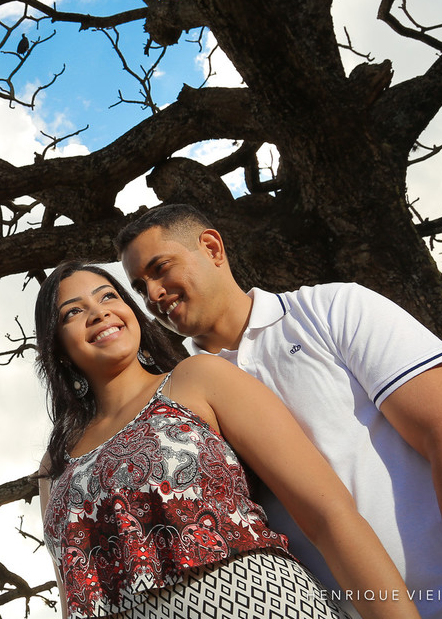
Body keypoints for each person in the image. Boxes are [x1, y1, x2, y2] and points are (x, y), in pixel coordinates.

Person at [117, 204, 442, 619]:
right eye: (139, 287)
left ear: (212, 248)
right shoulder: (174, 414)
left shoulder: (332, 308)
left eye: (161, 268)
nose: (153, 295)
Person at [35, 261, 418, 619]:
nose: (99, 313)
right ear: (58, 346)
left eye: (108, 296)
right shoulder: (55, 464)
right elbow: (73, 596)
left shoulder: (197, 378)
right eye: (73, 312)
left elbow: (328, 514)